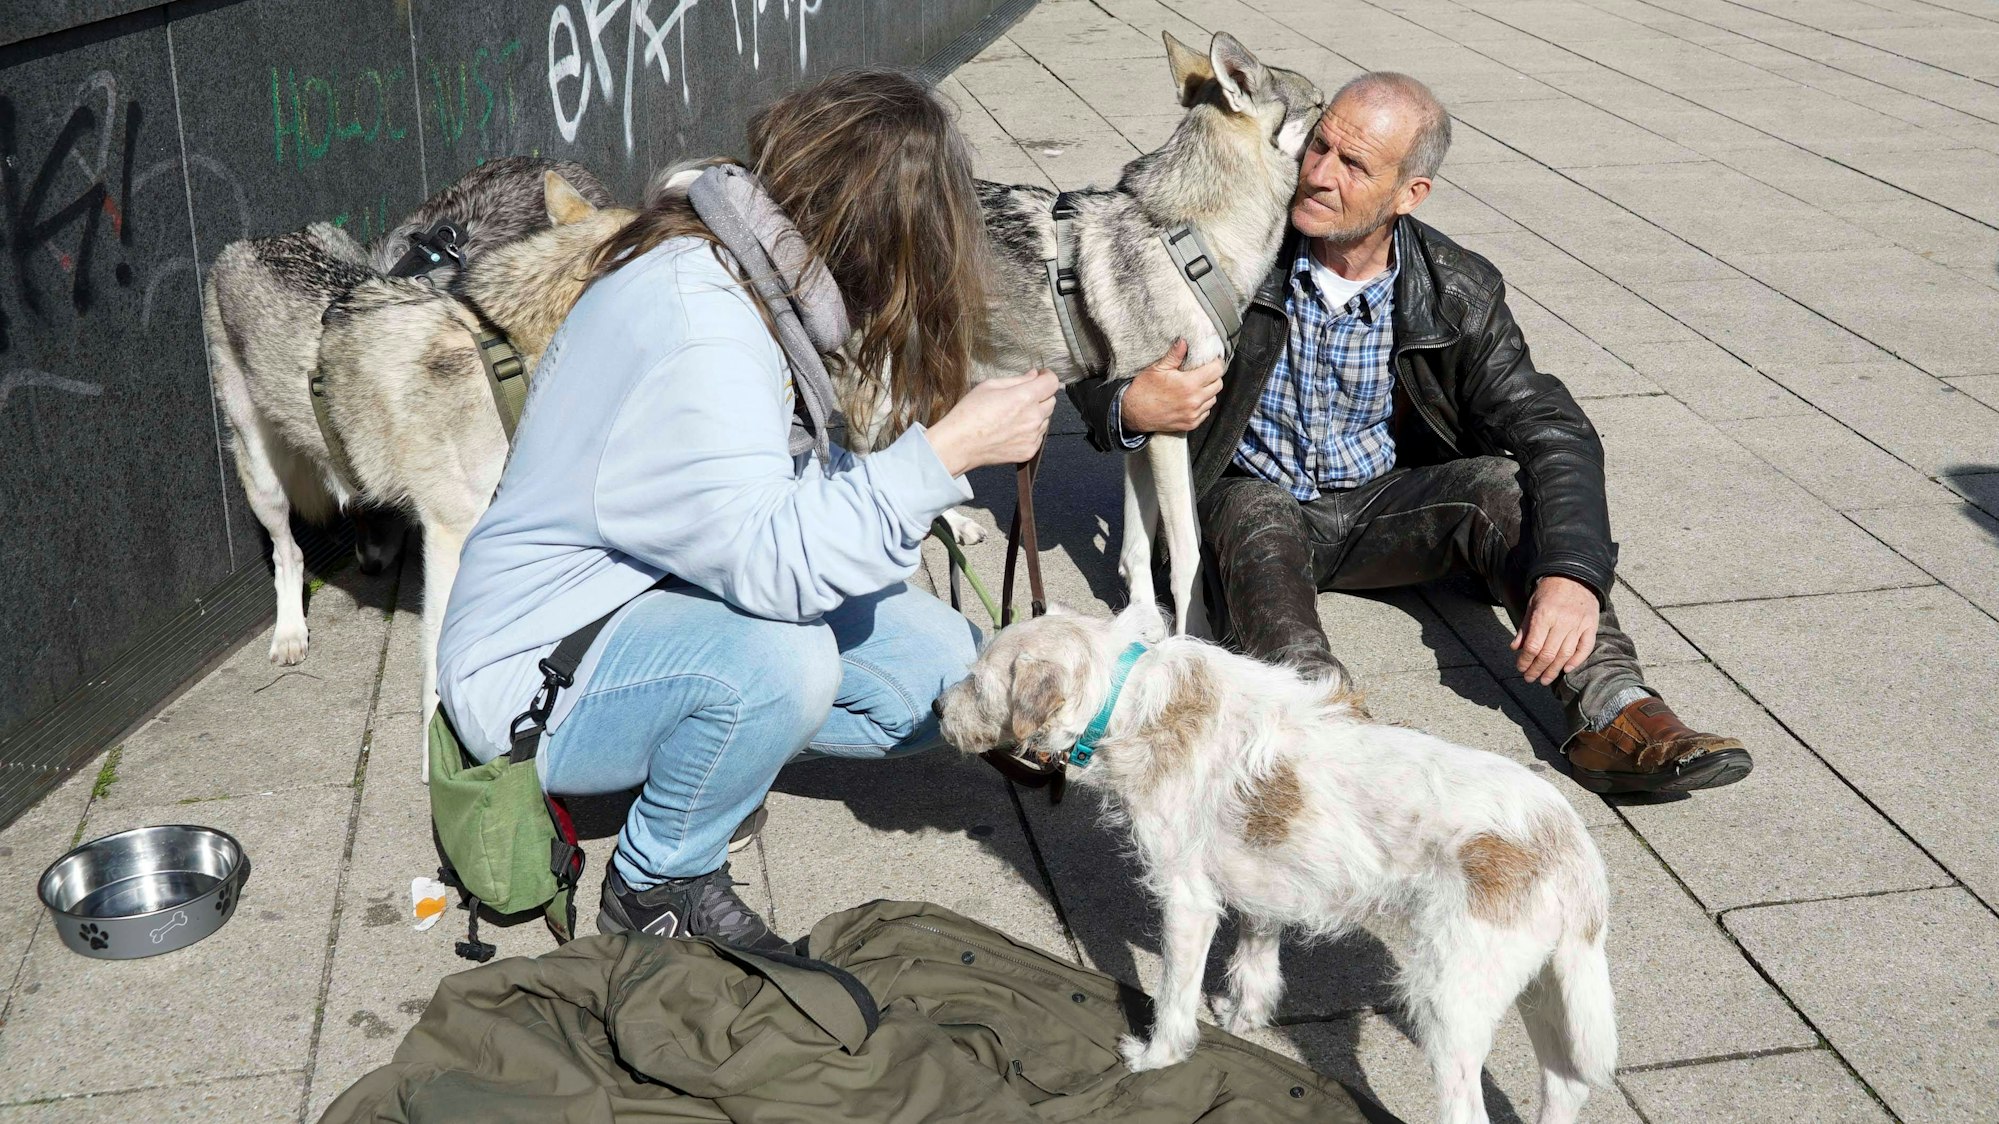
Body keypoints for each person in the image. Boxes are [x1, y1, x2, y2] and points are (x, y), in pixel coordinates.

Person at [436, 71, 1059, 950]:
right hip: (535, 661)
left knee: (943, 676)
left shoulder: (740, 265)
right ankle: (660, 880)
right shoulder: (705, 323)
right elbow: (775, 569)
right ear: (874, 236)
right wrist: (945, 453)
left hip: (654, 595)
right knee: (781, 662)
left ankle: (710, 745)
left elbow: (779, 513)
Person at [1068, 72, 1751, 795]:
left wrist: (1571, 575)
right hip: (1249, 506)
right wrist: (1126, 407)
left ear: (1409, 195)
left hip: (1383, 511)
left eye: (1353, 164)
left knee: (1501, 486)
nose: (1318, 174)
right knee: (1252, 510)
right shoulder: (1232, 256)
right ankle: (1324, 736)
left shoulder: (1455, 287)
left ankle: (1619, 716)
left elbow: (1553, 427)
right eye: (1319, 145)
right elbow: (1087, 349)